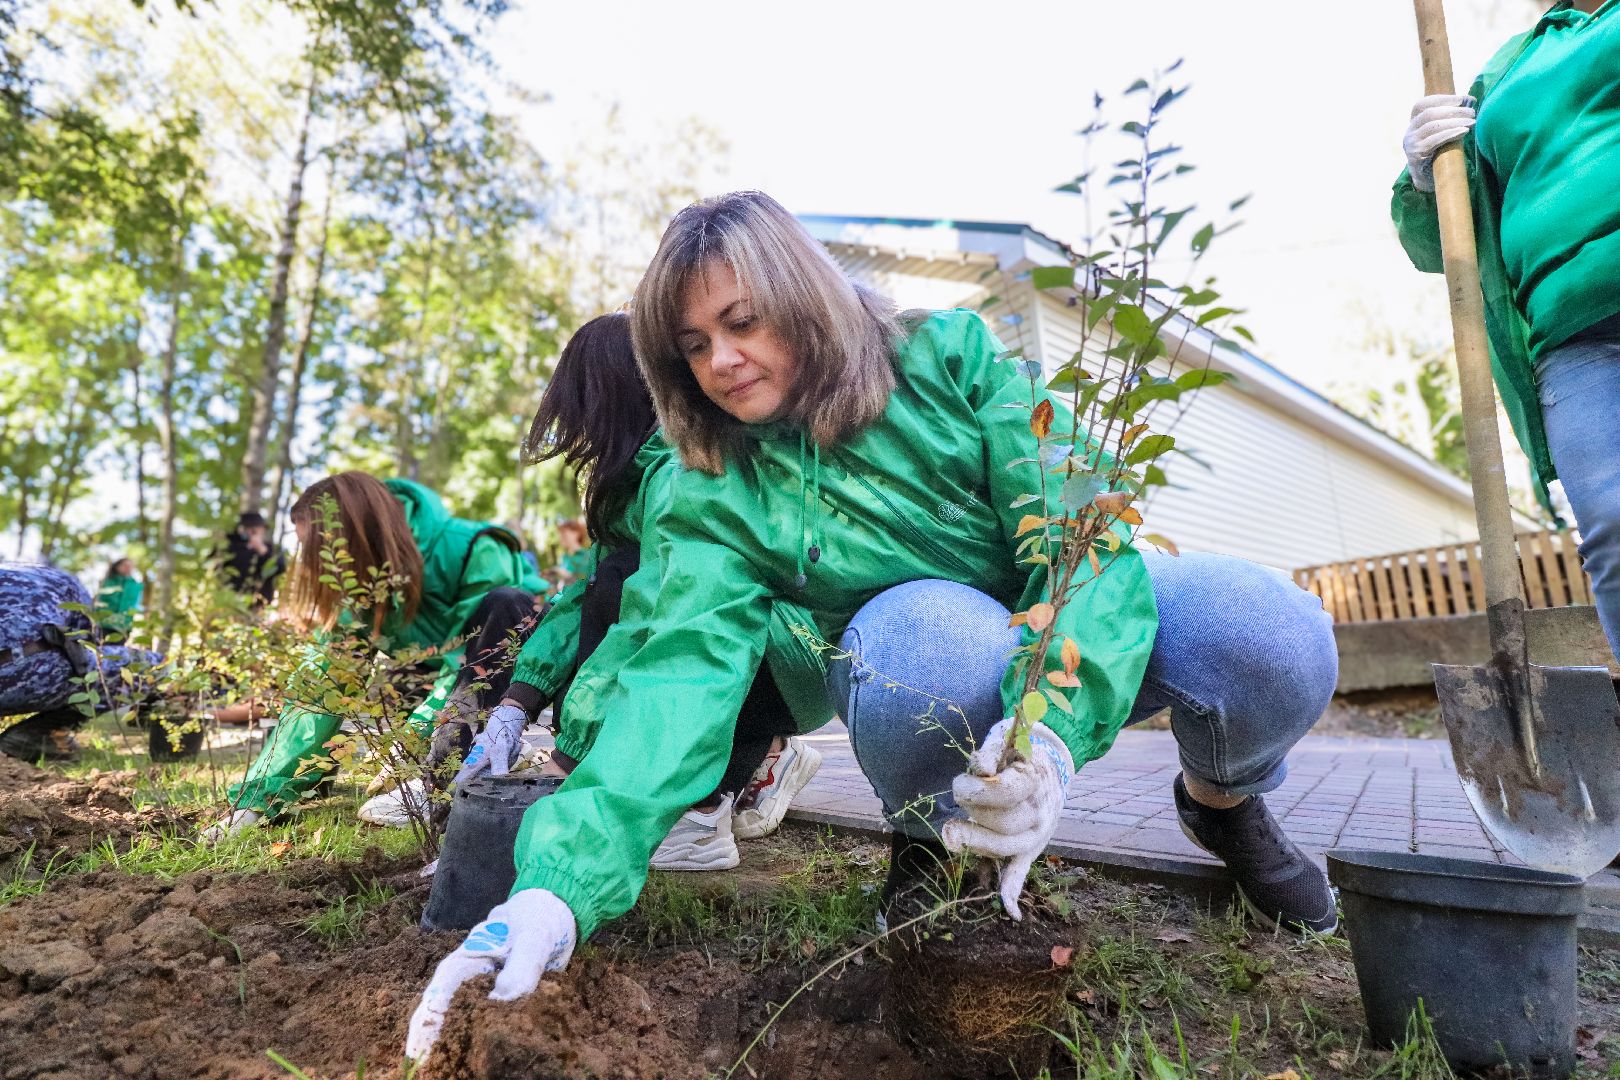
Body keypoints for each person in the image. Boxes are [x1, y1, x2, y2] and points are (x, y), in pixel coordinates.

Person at [404, 192, 1340, 1061]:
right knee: (919, 639)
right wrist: (554, 888)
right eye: (692, 345)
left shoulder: (952, 358)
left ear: (802, 298)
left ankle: (1223, 808)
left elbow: (1075, 541)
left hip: (1069, 625)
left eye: (742, 323)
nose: (720, 362)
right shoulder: (713, 486)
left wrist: (1048, 735)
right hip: (922, 662)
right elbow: (679, 677)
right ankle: (929, 841)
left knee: (1270, 630)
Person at [442, 312, 828, 870]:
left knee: (625, 590)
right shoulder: (632, 483)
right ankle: (751, 766)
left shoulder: (689, 470)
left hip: (787, 655)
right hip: (763, 657)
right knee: (607, 586)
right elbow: (578, 603)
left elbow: (649, 620)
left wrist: (569, 766)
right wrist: (513, 706)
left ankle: (701, 813)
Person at [1393, 0, 1620, 655]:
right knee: (1610, 525)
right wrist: (1425, 174)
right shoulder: (1504, 73)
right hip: (1570, 341)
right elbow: (1445, 247)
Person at [204, 474, 546, 838]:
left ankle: (446, 780)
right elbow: (321, 687)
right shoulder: (357, 587)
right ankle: (312, 784)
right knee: (385, 698)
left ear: (354, 534)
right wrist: (256, 799)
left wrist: (414, 735)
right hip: (427, 664)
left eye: (321, 547)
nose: (317, 563)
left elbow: (470, 659)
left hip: (507, 664)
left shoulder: (473, 548)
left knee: (505, 605)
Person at [0, 563, 162, 761]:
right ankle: (36, 735)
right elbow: (85, 643)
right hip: (23, 676)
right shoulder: (61, 580)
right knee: (152, 664)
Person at [214, 511, 287, 606]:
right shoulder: (231, 547)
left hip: (260, 603)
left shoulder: (272, 549)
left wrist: (262, 550)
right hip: (232, 602)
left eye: (257, 529)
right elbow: (216, 568)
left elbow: (281, 568)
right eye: (249, 529)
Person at [94, 557, 143, 639]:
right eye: (125, 565)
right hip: (104, 623)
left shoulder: (136, 586)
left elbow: (137, 604)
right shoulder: (107, 581)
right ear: (117, 566)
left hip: (124, 626)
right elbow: (99, 601)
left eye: (131, 566)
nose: (128, 568)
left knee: (117, 650)